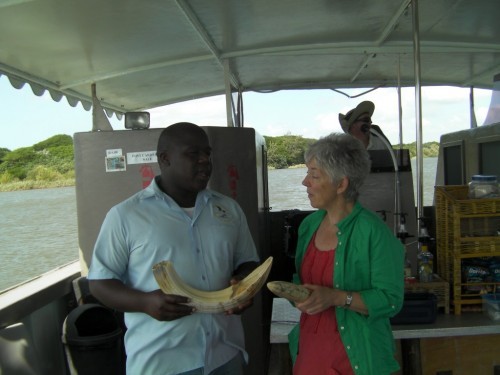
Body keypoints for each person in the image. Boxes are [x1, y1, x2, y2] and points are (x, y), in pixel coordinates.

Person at [88, 122, 260, 375]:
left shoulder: (228, 209)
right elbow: (100, 283)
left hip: (225, 353)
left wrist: (244, 285)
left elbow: (248, 261)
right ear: (165, 159)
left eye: (207, 153)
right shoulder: (126, 215)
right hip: (162, 362)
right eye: (193, 154)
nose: (204, 161)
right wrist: (145, 302)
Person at [288, 133, 404, 375]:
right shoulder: (308, 226)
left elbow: (391, 300)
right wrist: (296, 294)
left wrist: (336, 297)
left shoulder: (374, 232)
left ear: (341, 184)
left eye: (314, 174)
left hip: (356, 362)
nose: (305, 182)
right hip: (309, 355)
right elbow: (302, 283)